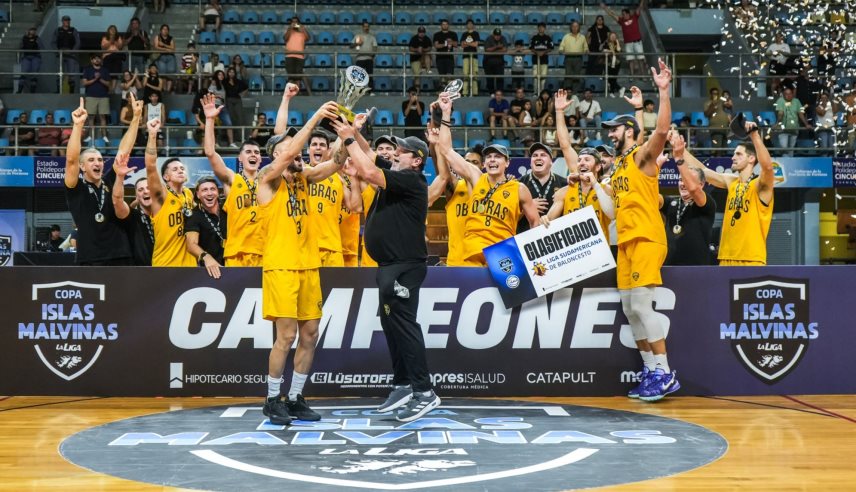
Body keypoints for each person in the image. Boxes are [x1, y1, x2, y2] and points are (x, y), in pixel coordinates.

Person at [333, 118, 441, 422]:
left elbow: (368, 171)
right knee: (391, 324)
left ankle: (424, 392)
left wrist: (348, 139)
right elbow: (370, 156)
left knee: (404, 326)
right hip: (390, 266)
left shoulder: (411, 180)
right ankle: (403, 384)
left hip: (404, 266)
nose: (395, 153)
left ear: (416, 161)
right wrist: (355, 132)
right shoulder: (396, 172)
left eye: (401, 151)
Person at [256, 100, 342, 425]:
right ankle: (272, 399)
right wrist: (317, 116)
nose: (298, 154)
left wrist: (347, 135)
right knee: (286, 336)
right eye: (289, 150)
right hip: (281, 266)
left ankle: (295, 397)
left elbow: (336, 163)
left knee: (310, 334)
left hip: (309, 265)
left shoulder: (304, 178)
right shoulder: (267, 179)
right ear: (277, 155)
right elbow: (292, 152)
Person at [601, 59, 676, 401]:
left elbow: (659, 133)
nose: (609, 134)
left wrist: (662, 92)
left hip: (647, 237)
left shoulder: (642, 159)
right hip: (626, 242)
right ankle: (650, 369)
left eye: (614, 129)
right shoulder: (618, 168)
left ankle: (664, 372)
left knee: (643, 308)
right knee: (630, 310)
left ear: (629, 132)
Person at [438, 94, 541, 266]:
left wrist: (534, 257)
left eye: (498, 157)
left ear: (507, 163)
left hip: (502, 253)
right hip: (472, 251)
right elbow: (446, 150)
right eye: (489, 157)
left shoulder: (519, 188)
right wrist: (446, 113)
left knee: (510, 284)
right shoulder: (476, 177)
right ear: (484, 163)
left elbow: (535, 222)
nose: (492, 160)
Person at [683, 121, 775, 266]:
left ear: (751, 159)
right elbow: (702, 171)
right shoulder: (732, 182)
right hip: (726, 257)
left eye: (738, 154)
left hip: (751, 259)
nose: (733, 157)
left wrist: (754, 136)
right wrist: (680, 151)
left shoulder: (760, 185)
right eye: (734, 154)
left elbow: (768, 168)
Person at [64, 96, 139, 265]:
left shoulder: (109, 180)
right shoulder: (75, 187)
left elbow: (124, 152)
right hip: (89, 258)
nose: (97, 163)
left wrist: (135, 118)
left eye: (99, 160)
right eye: (91, 160)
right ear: (82, 166)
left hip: (120, 255)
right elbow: (71, 160)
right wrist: (78, 125)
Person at [202, 92, 269, 267]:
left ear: (260, 159)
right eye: (248, 152)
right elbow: (210, 153)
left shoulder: (267, 182)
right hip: (236, 252)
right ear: (240, 158)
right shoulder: (232, 179)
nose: (253, 155)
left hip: (265, 252)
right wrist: (210, 120)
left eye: (257, 153)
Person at [143, 118, 197, 267]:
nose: (180, 170)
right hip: (166, 265)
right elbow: (150, 166)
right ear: (166, 177)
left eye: (182, 168)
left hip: (190, 265)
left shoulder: (188, 194)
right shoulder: (161, 195)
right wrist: (152, 135)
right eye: (175, 169)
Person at [662, 132, 715, 266]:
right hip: (669, 267)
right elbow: (651, 196)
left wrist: (679, 159)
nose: (683, 183)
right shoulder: (671, 202)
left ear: (701, 184)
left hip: (697, 268)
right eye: (681, 179)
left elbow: (693, 189)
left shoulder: (707, 203)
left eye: (687, 180)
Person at [542, 147, 614, 243]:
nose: (582, 163)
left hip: (599, 247)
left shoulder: (606, 189)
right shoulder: (564, 192)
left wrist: (595, 183)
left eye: (587, 160)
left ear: (598, 167)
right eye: (579, 160)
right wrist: (544, 220)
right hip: (575, 248)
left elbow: (612, 215)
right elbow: (548, 222)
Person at [112, 159, 155, 266]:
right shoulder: (132, 216)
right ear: (137, 196)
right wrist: (120, 177)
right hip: (139, 271)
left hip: (164, 268)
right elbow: (117, 201)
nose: (145, 191)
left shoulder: (164, 216)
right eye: (140, 190)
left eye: (148, 188)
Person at [517, 142, 565, 233]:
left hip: (555, 237)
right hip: (525, 237)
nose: (538, 158)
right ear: (530, 163)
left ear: (551, 162)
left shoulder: (564, 184)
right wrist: (527, 208)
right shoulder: (517, 184)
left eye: (543, 155)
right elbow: (508, 218)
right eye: (535, 155)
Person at [185, 176, 226, 278]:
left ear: (218, 192)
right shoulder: (194, 215)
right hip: (210, 270)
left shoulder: (227, 208)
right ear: (198, 194)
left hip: (235, 264)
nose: (209, 193)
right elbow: (191, 244)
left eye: (213, 189)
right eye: (204, 190)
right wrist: (206, 257)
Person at [602, 0, 646, 77]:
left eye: (625, 14)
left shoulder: (634, 17)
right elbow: (612, 15)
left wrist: (642, 1)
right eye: (622, 14)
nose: (623, 15)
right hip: (628, 43)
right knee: (630, 60)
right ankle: (632, 75)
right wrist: (605, 8)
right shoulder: (621, 21)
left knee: (641, 59)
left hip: (637, 42)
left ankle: (643, 75)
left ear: (628, 13)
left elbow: (640, 7)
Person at [82, 54, 112, 146]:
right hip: (91, 96)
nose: (97, 60)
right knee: (91, 117)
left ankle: (104, 136)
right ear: (91, 61)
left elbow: (109, 84)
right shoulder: (87, 70)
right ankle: (91, 136)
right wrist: (95, 79)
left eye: (98, 58)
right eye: (94, 59)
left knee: (103, 117)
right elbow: (84, 83)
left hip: (103, 96)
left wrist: (100, 79)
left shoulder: (105, 70)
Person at [774, 87, 810, 156]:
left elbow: (800, 114)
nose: (788, 95)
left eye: (790, 94)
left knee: (791, 149)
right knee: (784, 149)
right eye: (786, 94)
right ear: (783, 95)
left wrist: (806, 124)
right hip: (783, 130)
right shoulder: (780, 101)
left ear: (793, 94)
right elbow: (780, 113)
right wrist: (778, 123)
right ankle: (785, 161)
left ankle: (789, 161)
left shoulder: (796, 101)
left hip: (794, 129)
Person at [284, 17, 312, 95]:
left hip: (299, 57)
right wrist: (290, 28)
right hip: (289, 56)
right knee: (291, 76)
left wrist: (303, 29)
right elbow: (285, 38)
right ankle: (290, 93)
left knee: (298, 77)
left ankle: (296, 93)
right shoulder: (289, 31)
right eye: (293, 22)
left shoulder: (302, 32)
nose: (295, 23)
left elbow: (308, 38)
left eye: (296, 22)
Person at [53, 15, 81, 94]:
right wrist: (57, 51)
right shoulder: (58, 30)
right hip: (60, 54)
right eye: (65, 20)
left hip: (70, 54)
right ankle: (58, 90)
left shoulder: (73, 30)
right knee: (59, 72)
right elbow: (53, 42)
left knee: (71, 73)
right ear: (62, 21)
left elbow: (78, 42)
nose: (67, 22)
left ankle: (71, 92)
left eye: (68, 20)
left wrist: (73, 51)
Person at [558, 21, 587, 92]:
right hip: (568, 58)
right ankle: (567, 91)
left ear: (579, 27)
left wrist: (586, 50)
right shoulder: (566, 36)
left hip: (578, 58)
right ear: (571, 27)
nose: (575, 28)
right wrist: (561, 50)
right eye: (573, 26)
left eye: (576, 26)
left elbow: (585, 47)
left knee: (577, 76)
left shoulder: (582, 37)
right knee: (568, 75)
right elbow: (561, 46)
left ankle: (575, 92)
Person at [433, 20, 458, 90]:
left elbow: (456, 45)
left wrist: (451, 42)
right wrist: (445, 44)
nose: (445, 26)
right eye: (443, 24)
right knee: (442, 77)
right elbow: (436, 45)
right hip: (440, 58)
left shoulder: (453, 34)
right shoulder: (437, 34)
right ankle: (442, 91)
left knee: (450, 76)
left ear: (448, 25)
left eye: (446, 24)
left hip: (449, 58)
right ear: (441, 26)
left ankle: (450, 91)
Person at [351, 21, 377, 91]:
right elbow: (351, 46)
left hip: (369, 59)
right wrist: (357, 44)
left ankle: (371, 91)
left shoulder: (372, 37)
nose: (366, 28)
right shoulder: (358, 36)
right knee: (358, 76)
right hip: (360, 58)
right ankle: (358, 91)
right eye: (365, 26)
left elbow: (375, 47)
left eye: (367, 26)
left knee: (370, 75)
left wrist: (372, 56)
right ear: (362, 27)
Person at [529, 23, 553, 94]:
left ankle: (542, 93)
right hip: (535, 61)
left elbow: (551, 48)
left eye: (542, 27)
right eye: (539, 27)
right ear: (538, 28)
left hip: (544, 61)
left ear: (544, 28)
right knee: (536, 77)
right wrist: (537, 52)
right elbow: (531, 48)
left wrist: (543, 52)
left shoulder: (548, 38)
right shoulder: (534, 38)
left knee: (543, 77)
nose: (541, 29)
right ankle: (535, 92)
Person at [152, 24, 177, 93]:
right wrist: (166, 49)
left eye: (166, 29)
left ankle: (168, 91)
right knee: (162, 73)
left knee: (171, 73)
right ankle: (164, 90)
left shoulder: (171, 38)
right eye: (164, 29)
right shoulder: (157, 37)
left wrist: (164, 45)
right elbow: (156, 47)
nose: (165, 31)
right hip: (161, 57)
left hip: (170, 57)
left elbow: (173, 49)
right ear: (161, 30)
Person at [224, 67, 248, 134]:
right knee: (231, 117)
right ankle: (233, 135)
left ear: (235, 73)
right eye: (230, 72)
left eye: (233, 72)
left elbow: (246, 87)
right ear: (227, 73)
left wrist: (242, 95)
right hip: (228, 99)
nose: (231, 73)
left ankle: (241, 136)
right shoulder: (224, 81)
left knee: (240, 117)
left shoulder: (238, 81)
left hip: (237, 100)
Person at [483, 28, 507, 94]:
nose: (497, 37)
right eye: (496, 35)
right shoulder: (489, 39)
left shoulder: (503, 38)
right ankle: (491, 93)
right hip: (488, 62)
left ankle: (500, 93)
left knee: (500, 79)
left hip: (499, 62)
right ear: (493, 35)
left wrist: (493, 51)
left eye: (499, 35)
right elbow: (487, 50)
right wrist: (497, 47)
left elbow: (504, 50)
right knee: (490, 79)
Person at [460, 19, 480, 96]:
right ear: (466, 25)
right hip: (465, 56)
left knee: (474, 74)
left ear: (473, 25)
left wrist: (467, 43)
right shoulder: (464, 34)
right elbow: (462, 45)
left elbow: (476, 45)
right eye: (468, 24)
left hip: (474, 56)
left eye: (471, 24)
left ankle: (475, 92)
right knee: (465, 74)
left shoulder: (476, 34)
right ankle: (465, 92)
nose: (470, 25)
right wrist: (471, 43)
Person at [19, 27, 42, 94]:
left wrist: (38, 42)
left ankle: (33, 91)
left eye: (34, 30)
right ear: (28, 31)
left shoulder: (37, 38)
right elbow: (20, 47)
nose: (33, 31)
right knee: (23, 73)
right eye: (31, 30)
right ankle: (19, 90)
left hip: (35, 57)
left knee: (34, 74)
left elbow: (42, 47)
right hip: (26, 57)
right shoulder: (24, 38)